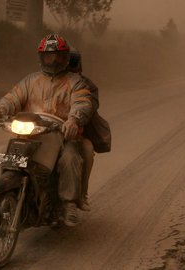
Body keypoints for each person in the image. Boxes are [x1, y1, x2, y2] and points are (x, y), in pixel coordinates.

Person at [0, 34, 94, 226]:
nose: (53, 60)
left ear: (66, 57)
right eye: (48, 56)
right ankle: (7, 194)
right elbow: (12, 98)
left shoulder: (75, 82)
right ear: (41, 57)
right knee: (2, 151)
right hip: (30, 132)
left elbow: (82, 102)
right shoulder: (30, 81)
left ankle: (69, 203)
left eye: (57, 56)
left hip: (60, 133)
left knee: (70, 158)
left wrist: (73, 120)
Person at [67, 49, 111, 212]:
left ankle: (81, 194)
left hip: (76, 132)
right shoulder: (47, 81)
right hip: (46, 130)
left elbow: (89, 105)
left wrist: (76, 118)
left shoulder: (86, 85)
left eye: (72, 64)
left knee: (87, 149)